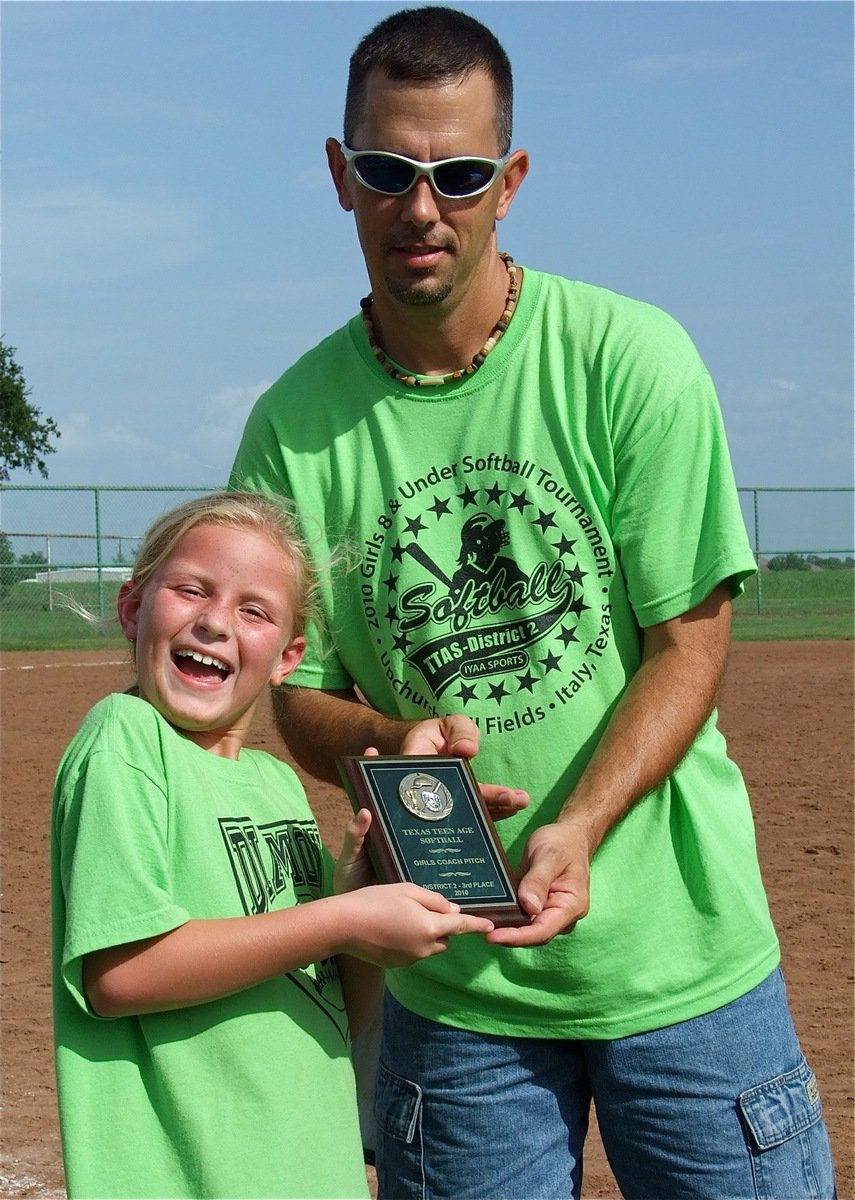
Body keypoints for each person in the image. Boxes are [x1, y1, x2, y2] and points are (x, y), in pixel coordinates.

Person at [229, 8, 837, 1198]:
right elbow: (298, 694)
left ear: (508, 183)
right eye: (388, 171)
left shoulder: (630, 359)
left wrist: (584, 825)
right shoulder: (293, 431)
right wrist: (388, 743)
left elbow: (688, 643)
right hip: (453, 987)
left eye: (457, 174)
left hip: (682, 966)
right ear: (339, 175)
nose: (421, 207)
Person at [51, 490, 495, 1200]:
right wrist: (341, 919)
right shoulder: (125, 741)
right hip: (198, 1179)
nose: (214, 621)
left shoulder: (274, 784)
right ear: (134, 610)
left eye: (253, 610)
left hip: (307, 1169)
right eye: (191, 589)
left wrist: (368, 892)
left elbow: (339, 1005)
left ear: (289, 656)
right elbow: (119, 975)